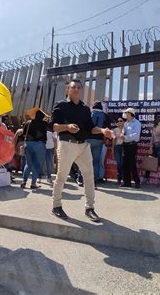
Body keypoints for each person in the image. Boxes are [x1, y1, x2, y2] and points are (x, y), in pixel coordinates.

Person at [49, 79, 113, 222]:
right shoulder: (61, 105)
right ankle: (56, 206)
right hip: (67, 144)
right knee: (62, 177)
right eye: (73, 87)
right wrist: (67, 127)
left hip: (83, 145)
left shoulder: (85, 109)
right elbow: (53, 126)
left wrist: (103, 130)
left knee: (89, 177)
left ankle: (90, 208)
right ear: (68, 90)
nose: (76, 89)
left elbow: (91, 128)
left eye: (79, 87)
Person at [21, 108, 48, 189]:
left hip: (28, 144)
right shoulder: (45, 124)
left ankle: (24, 181)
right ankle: (33, 184)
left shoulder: (28, 123)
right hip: (40, 145)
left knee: (28, 164)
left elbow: (23, 133)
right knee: (36, 164)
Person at [86, 101, 108, 186]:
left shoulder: (91, 113)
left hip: (88, 139)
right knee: (96, 162)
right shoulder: (104, 115)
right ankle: (94, 180)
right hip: (99, 140)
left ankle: (82, 178)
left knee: (85, 160)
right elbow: (107, 127)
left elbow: (87, 126)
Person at [120, 108, 142, 189]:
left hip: (132, 145)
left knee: (132, 164)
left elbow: (136, 135)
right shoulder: (126, 123)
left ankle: (137, 182)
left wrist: (125, 137)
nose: (125, 114)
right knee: (125, 164)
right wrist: (122, 133)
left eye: (127, 113)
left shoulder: (137, 123)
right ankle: (127, 182)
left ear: (130, 114)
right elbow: (123, 130)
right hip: (125, 145)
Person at [113, 116, 125, 185]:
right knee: (119, 164)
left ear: (123, 122)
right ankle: (119, 179)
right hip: (117, 147)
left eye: (121, 121)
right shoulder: (115, 130)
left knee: (123, 164)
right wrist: (112, 149)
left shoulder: (126, 129)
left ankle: (124, 179)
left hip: (124, 147)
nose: (119, 122)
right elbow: (113, 140)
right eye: (118, 121)